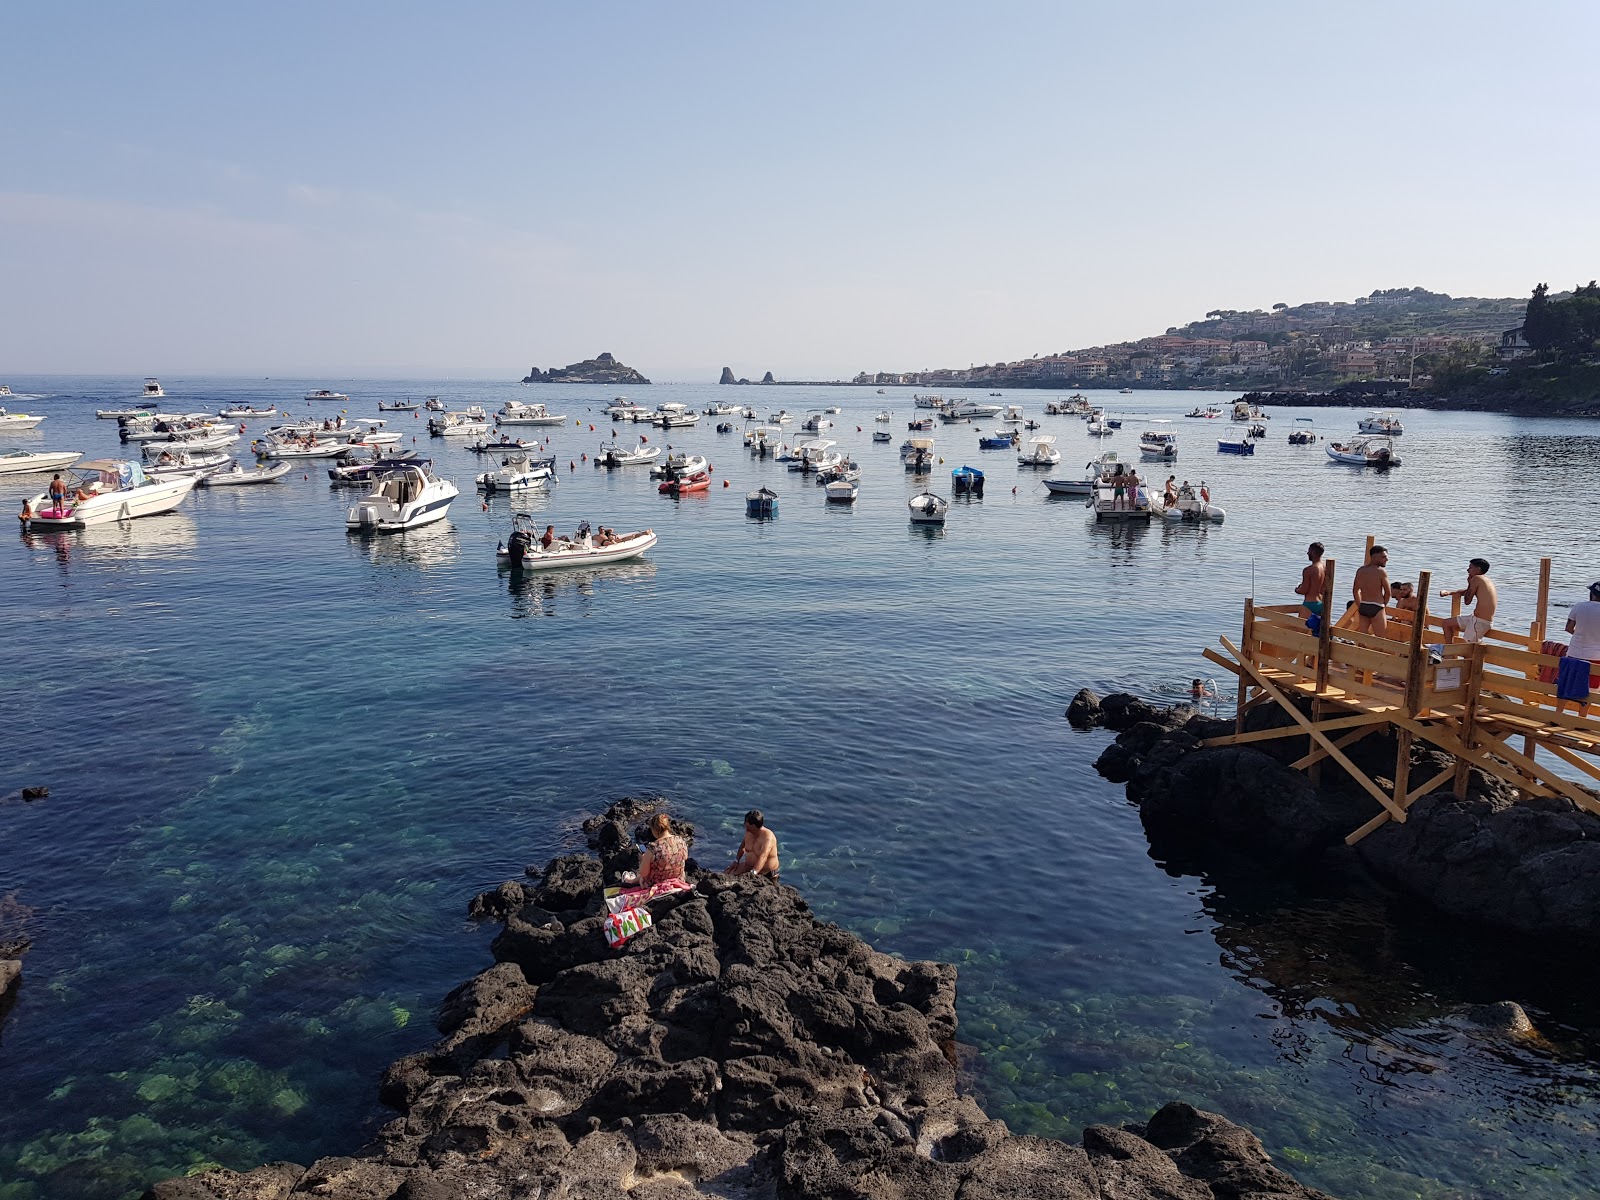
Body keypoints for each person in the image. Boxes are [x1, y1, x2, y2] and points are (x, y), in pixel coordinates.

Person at [1560, 581, 1600, 716]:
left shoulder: (1579, 607)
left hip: (1575, 652)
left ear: (1592, 594)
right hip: (1596, 656)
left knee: (1567, 683)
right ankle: (1581, 719)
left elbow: (1568, 628)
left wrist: (1581, 635)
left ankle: (1557, 715)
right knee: (1591, 689)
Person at [1440, 558, 1497, 643]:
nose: (1467, 570)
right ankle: (1449, 653)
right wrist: (1450, 593)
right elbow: (1467, 592)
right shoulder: (1486, 580)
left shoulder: (1476, 579)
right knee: (1446, 624)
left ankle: (1452, 653)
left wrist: (1469, 582)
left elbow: (1467, 601)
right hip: (1475, 619)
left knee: (1467, 651)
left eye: (1470, 567)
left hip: (1480, 622)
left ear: (1478, 569)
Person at [726, 809, 780, 882]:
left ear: (753, 826)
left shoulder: (768, 837)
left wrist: (753, 873)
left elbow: (763, 856)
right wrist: (736, 861)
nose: (744, 824)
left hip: (766, 873)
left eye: (746, 822)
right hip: (747, 867)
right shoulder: (749, 833)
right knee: (727, 874)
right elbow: (742, 846)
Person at [637, 814, 688, 887]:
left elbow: (643, 873)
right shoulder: (681, 841)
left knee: (643, 877)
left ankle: (629, 881)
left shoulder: (653, 847)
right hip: (678, 880)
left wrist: (644, 859)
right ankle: (631, 880)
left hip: (657, 884)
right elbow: (685, 857)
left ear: (655, 830)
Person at [1352, 544, 1391, 637]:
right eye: (1383, 557)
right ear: (1375, 557)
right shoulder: (1381, 571)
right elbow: (1388, 592)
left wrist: (1360, 605)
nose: (1386, 559)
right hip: (1377, 606)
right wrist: (1383, 605)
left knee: (1363, 637)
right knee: (1380, 638)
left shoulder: (1361, 570)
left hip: (1364, 605)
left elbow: (1355, 590)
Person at [1296, 542, 1327, 622]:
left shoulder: (1308, 570)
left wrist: (1297, 589)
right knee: (1316, 631)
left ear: (1313, 552)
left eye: (1309, 551)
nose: (1307, 553)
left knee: (1301, 629)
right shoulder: (1324, 566)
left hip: (1310, 603)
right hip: (1320, 603)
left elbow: (1304, 590)